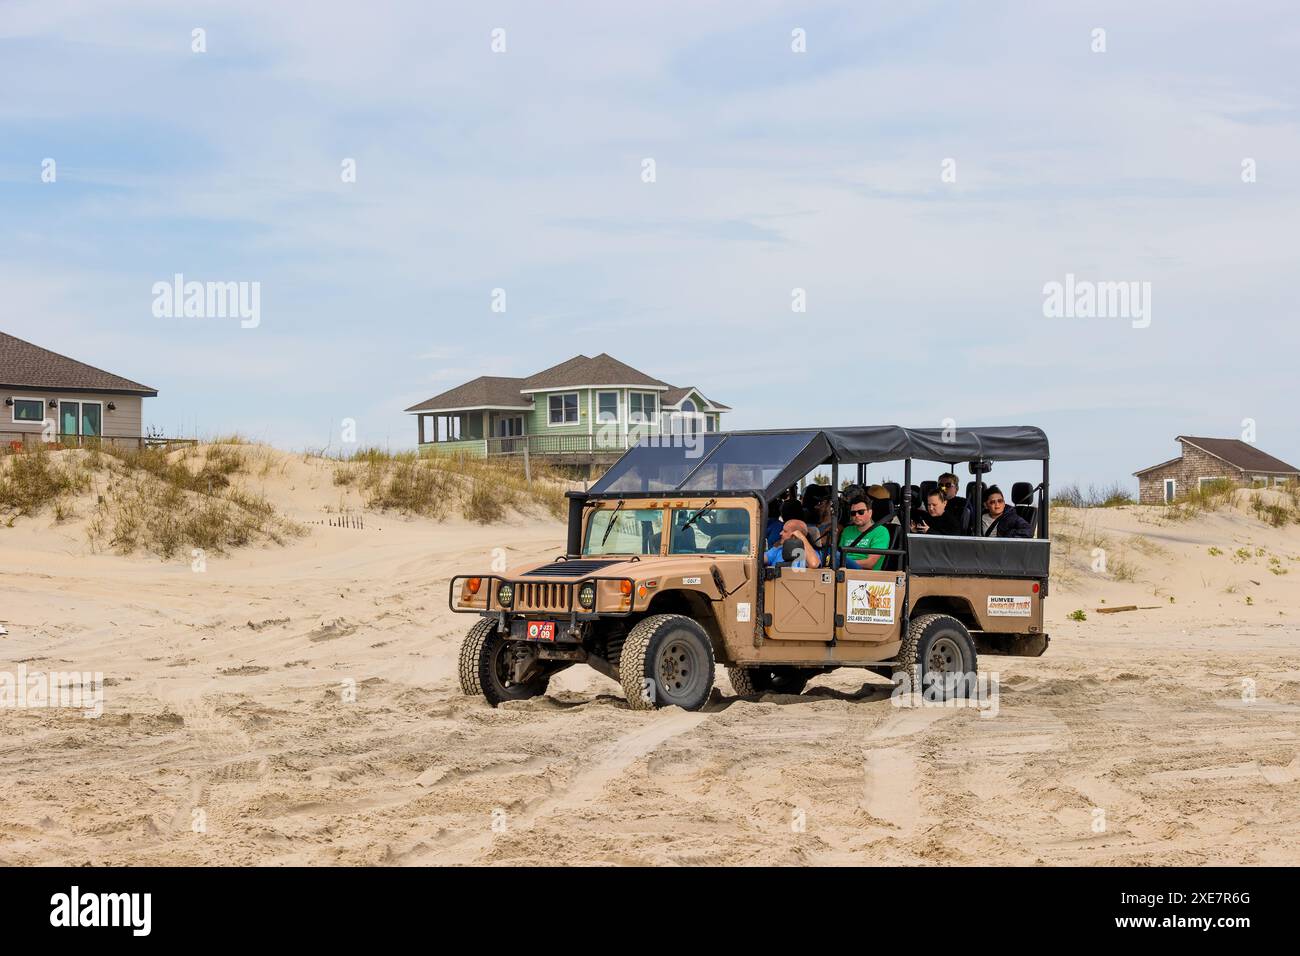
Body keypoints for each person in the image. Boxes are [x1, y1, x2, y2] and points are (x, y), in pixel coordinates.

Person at [839, 495, 890, 570]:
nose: (856, 515)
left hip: (866, 576)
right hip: (843, 571)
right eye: (853, 513)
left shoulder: (881, 531)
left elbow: (870, 563)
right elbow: (839, 554)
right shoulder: (847, 530)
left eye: (861, 512)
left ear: (870, 513)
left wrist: (845, 563)